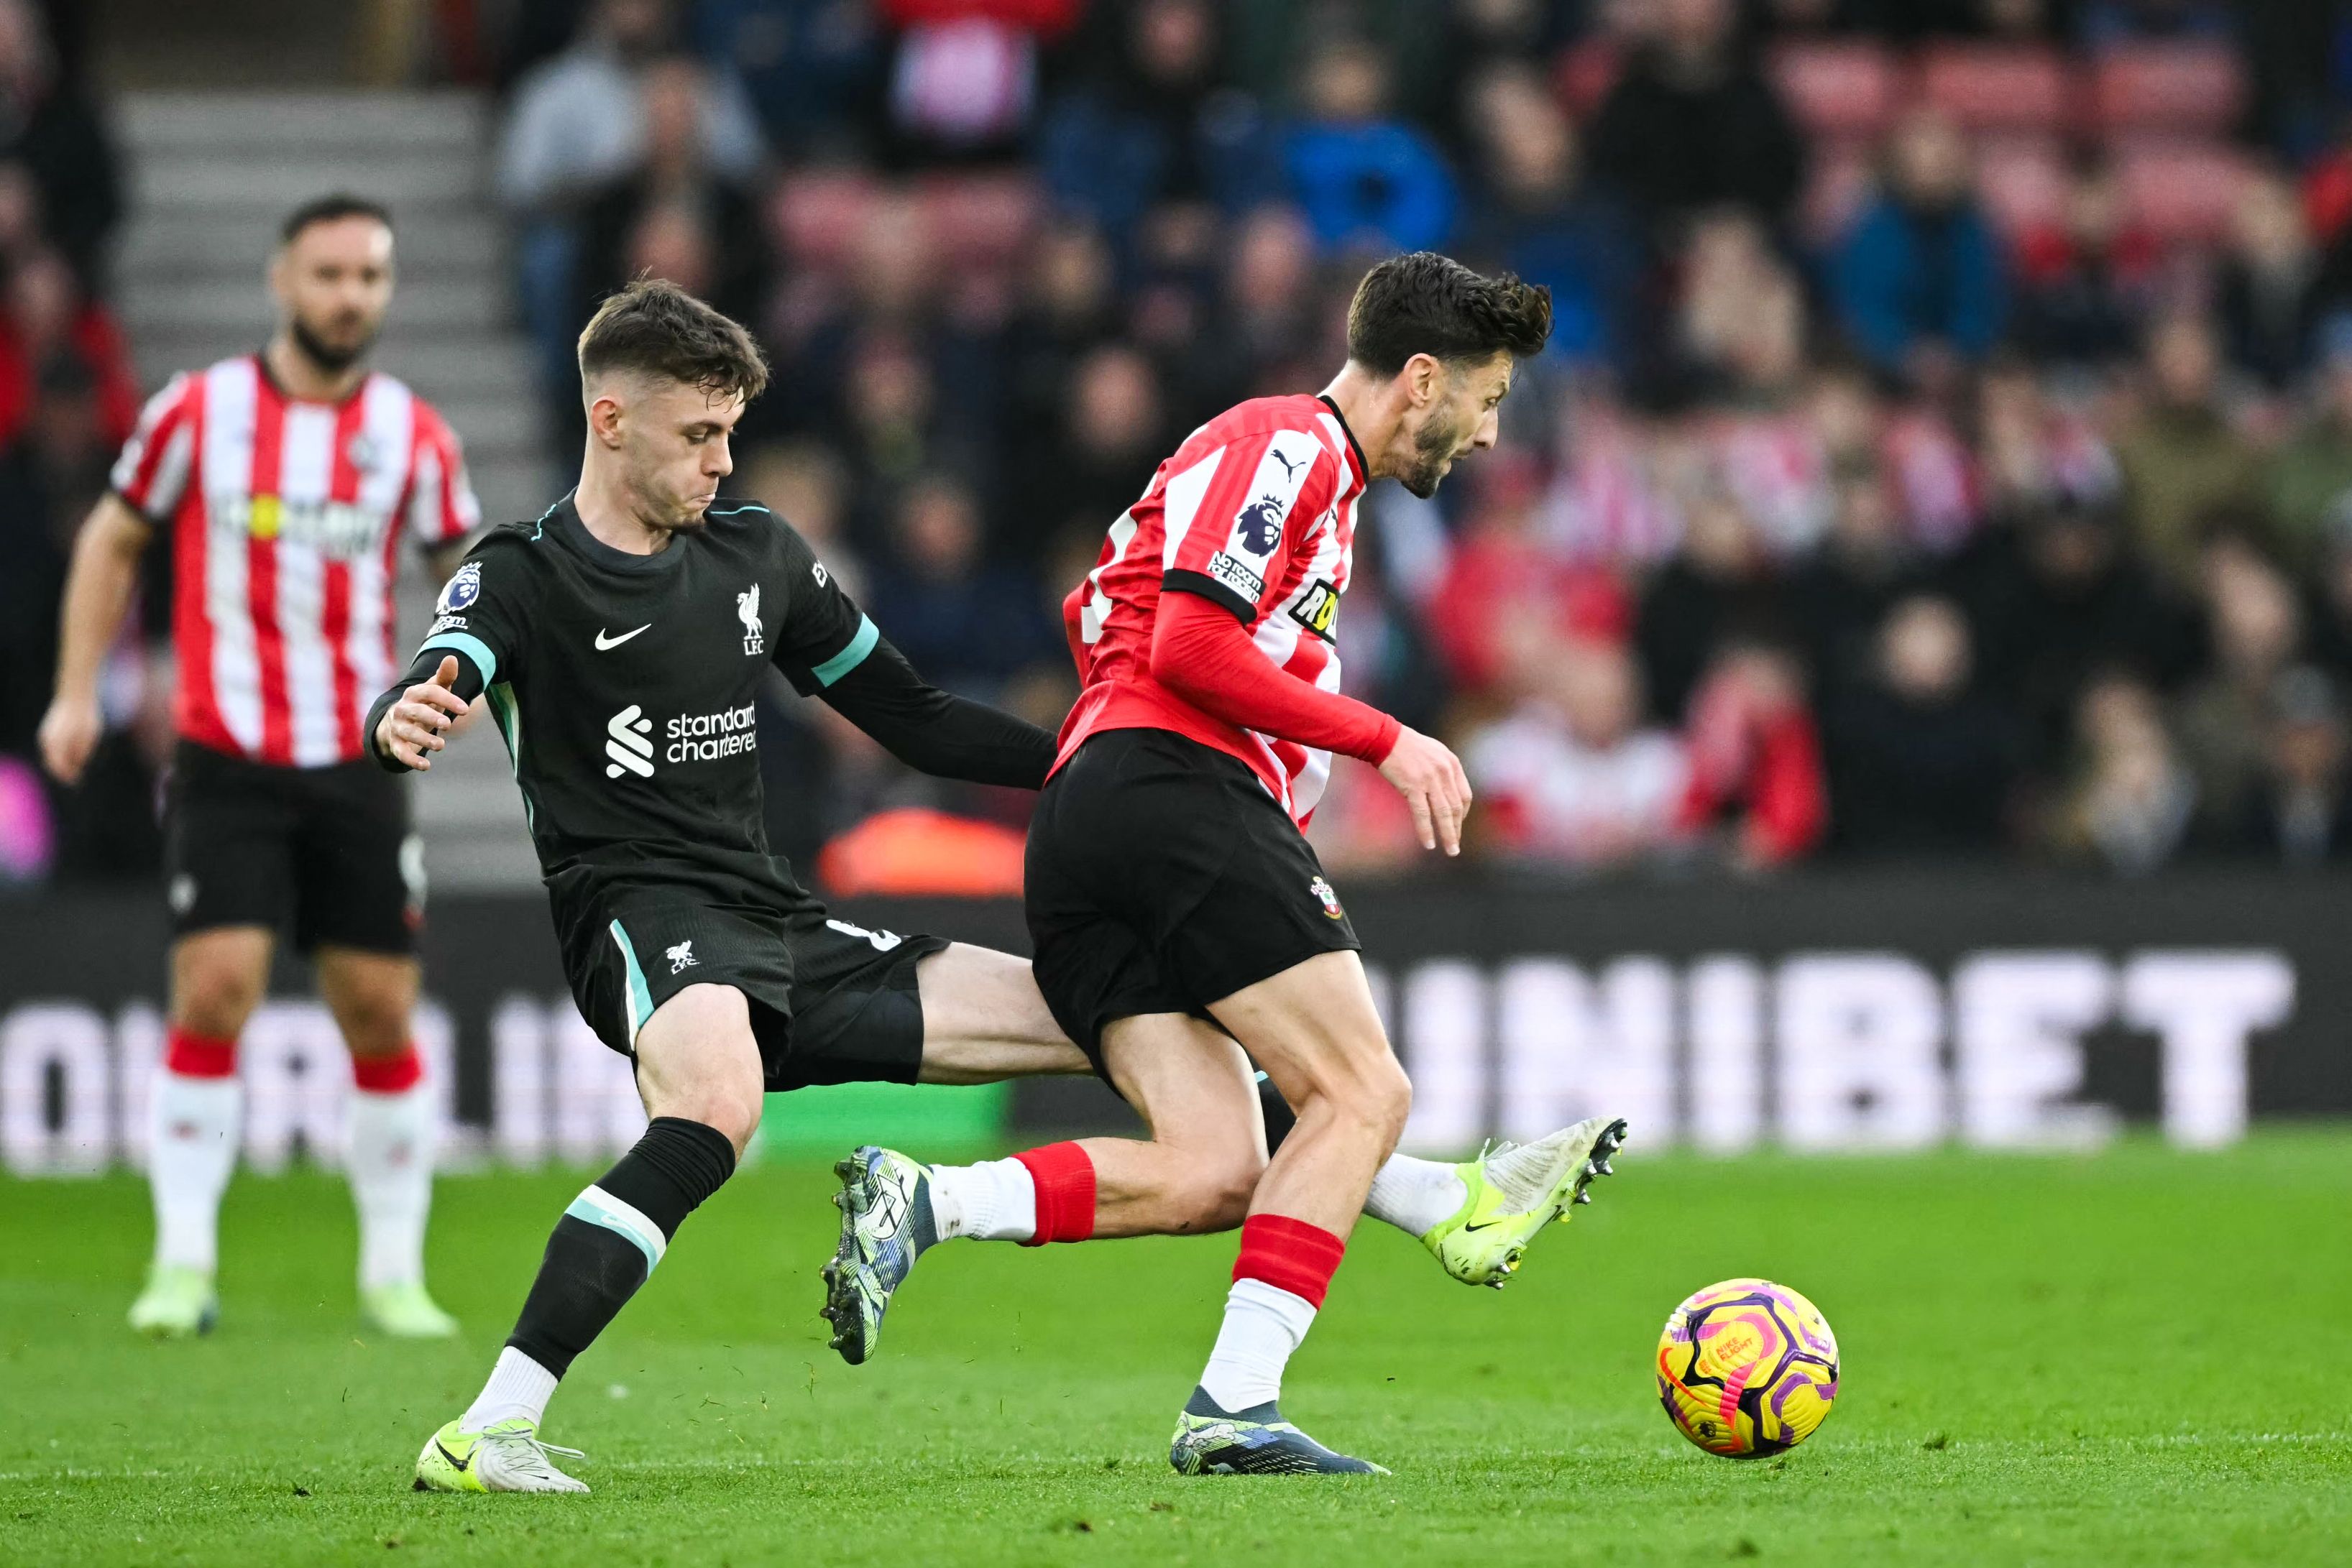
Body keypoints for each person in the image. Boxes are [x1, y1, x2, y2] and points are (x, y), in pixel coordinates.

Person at [379, 278, 1608, 1495]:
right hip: (646, 914)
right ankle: (491, 1424)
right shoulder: (524, 570)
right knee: (716, 1107)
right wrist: (419, 701)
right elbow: (454, 656)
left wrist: (1082, 757)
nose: (721, 461)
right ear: (610, 422)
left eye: (731, 433)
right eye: (699, 435)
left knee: (1165, 1057)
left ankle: (1422, 1196)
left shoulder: (757, 555)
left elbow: (910, 716)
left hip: (778, 918)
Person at [826, 254, 1625, 1477]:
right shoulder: (1288, 443)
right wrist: (1387, 738)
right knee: (1360, 1090)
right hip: (1165, 786)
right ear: (1422, 381)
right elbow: (1191, 641)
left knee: (1217, 1166)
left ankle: (927, 1202)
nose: (1489, 430)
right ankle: (1242, 1401)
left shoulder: (1316, 489)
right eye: (1491, 395)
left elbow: (1126, 611)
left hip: (1107, 811)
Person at [35, 195, 480, 1341]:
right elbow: (112, 536)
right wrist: (80, 690)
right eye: (330, 273)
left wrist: (464, 682)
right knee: (215, 989)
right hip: (228, 752)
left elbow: (473, 575)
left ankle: (395, 1273)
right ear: (283, 279)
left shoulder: (414, 434)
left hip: (357, 754)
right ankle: (182, 1263)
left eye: (371, 276)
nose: (350, 296)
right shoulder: (201, 410)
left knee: (381, 1009)